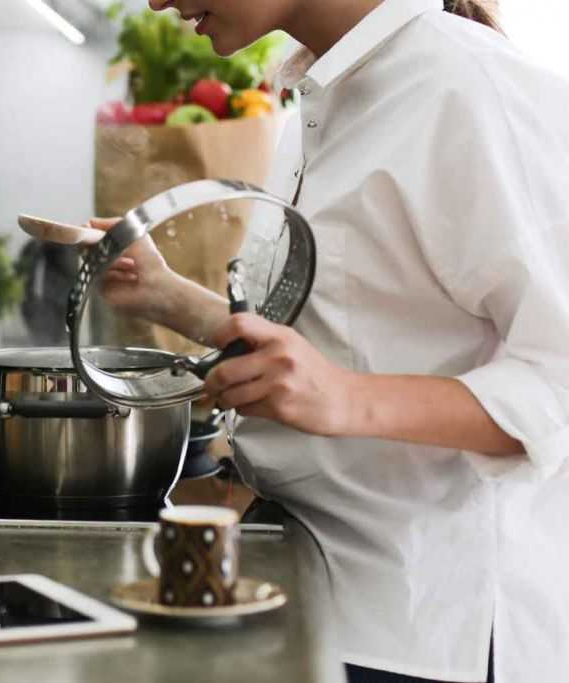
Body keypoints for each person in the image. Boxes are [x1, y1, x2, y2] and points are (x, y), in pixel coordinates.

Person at [98, 1, 569, 681]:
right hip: (312, 590)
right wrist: (165, 294)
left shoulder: (471, 89)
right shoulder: (321, 100)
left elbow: (557, 383)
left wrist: (346, 398)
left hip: (418, 633)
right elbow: (340, 340)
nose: (155, 2)